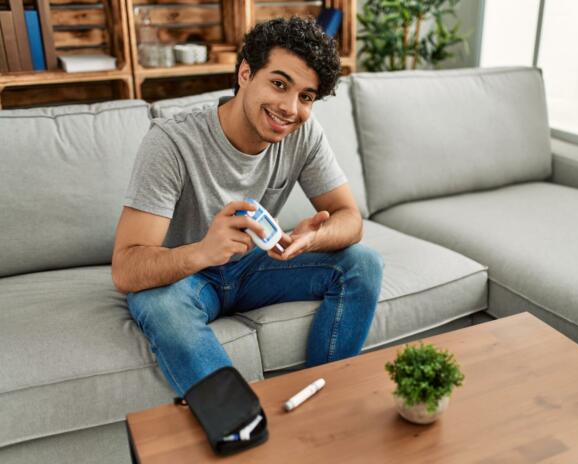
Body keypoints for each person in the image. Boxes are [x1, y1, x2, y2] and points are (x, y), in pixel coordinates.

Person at [111, 17, 384, 397]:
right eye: (279, 84)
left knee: (363, 263)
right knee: (158, 304)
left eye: (306, 96)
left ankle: (323, 401)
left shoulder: (303, 134)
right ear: (244, 73)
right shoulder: (171, 143)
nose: (290, 108)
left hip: (255, 267)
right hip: (189, 274)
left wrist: (315, 237)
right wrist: (204, 252)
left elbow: (349, 218)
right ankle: (241, 423)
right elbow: (126, 269)